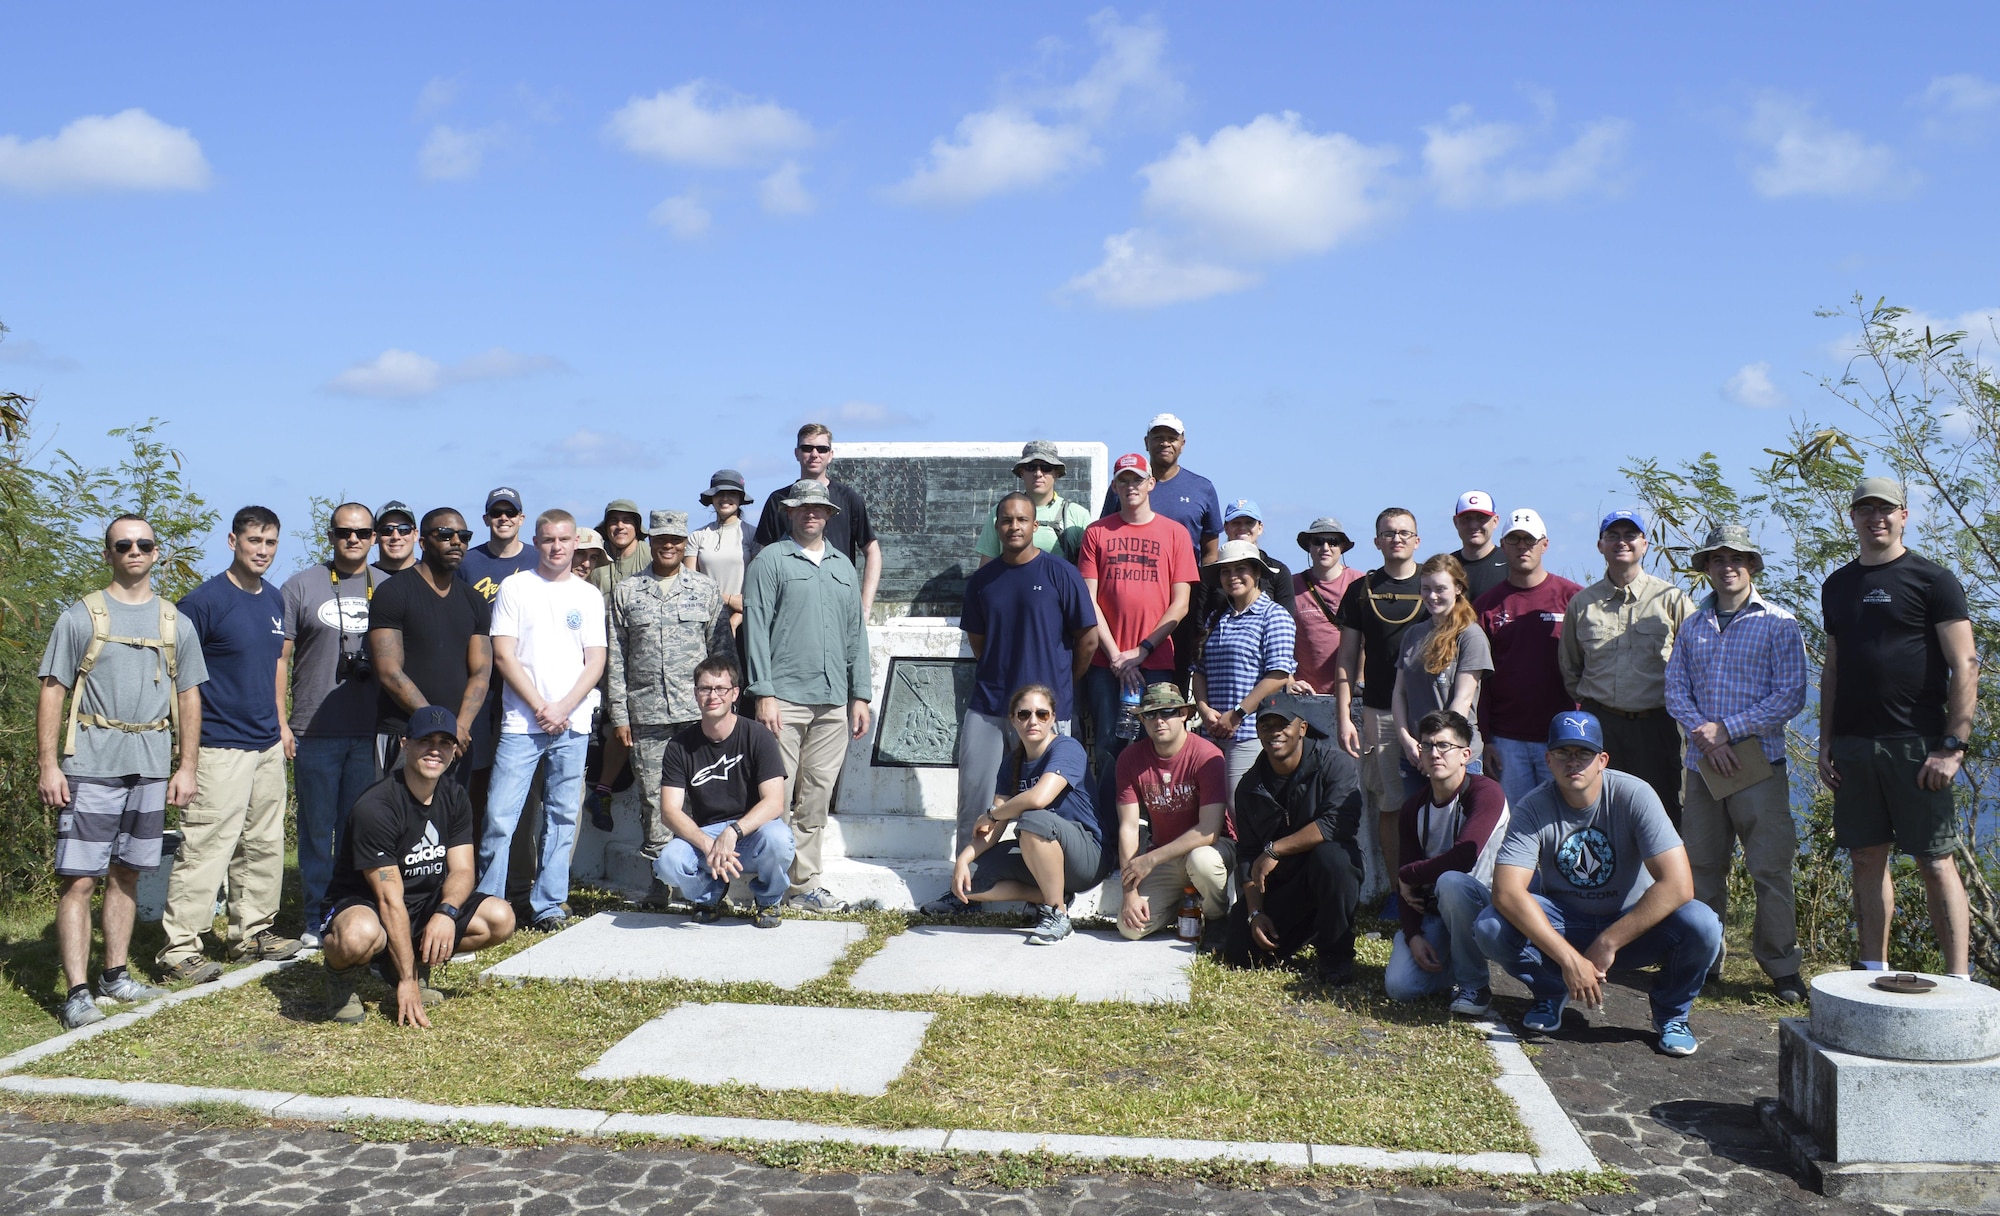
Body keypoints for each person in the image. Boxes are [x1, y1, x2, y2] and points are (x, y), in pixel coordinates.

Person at [1474, 711, 1721, 1057]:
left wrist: (1608, 941)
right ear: (1548, 759)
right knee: (1490, 926)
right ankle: (1550, 990)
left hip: (1631, 926)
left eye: (1583, 753)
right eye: (1563, 752)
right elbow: (1506, 891)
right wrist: (1569, 961)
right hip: (1566, 924)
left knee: (1704, 924)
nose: (1573, 762)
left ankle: (1672, 1013)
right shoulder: (1533, 807)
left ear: (1602, 760)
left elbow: (1680, 885)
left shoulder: (1635, 795)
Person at [36, 515, 203, 1027]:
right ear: (108, 554)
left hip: (151, 765)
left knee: (128, 872)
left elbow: (189, 695)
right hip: (90, 764)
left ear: (157, 554)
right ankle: (77, 992)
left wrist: (187, 765)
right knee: (80, 879)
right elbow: (52, 689)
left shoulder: (176, 622)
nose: (134, 551)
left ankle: (115, 976)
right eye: (123, 544)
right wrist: (49, 764)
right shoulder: (81, 616)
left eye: (143, 544)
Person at [1819, 476, 1978, 980]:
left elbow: (1966, 663)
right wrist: (1826, 743)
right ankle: (1873, 967)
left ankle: (1958, 978)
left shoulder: (1933, 579)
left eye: (1885, 509)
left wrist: (1952, 746)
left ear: (1904, 515)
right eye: (1865, 509)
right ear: (1853, 518)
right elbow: (1833, 668)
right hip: (1854, 744)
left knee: (1935, 859)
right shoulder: (1837, 584)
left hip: (1918, 745)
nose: (1876, 518)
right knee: (1866, 857)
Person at [1664, 525, 1809, 1002]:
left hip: (1759, 765)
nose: (1728, 567)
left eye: (1737, 558)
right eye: (1718, 559)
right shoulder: (1692, 625)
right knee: (1703, 866)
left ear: (1753, 565)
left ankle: (1781, 967)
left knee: (1770, 868)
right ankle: (1704, 959)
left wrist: (1728, 729)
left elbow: (1790, 695)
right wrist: (1708, 738)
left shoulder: (1780, 623)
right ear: (1705, 568)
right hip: (1703, 767)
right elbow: (1675, 692)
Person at [158, 505, 301, 983]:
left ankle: (253, 931)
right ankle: (180, 949)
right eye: (254, 541)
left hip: (264, 743)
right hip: (219, 744)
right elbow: (178, 682)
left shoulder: (275, 600)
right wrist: (187, 754)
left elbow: (276, 666)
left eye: (270, 542)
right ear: (232, 541)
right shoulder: (203, 603)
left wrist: (281, 725)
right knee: (206, 846)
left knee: (263, 843)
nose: (262, 551)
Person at [319, 706, 516, 1026]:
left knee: (499, 918)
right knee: (359, 936)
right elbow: (388, 898)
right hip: (368, 907)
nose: (435, 749)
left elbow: (463, 870)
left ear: (455, 751)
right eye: (426, 740)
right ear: (405, 743)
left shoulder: (455, 797)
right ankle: (341, 979)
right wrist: (408, 982)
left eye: (445, 742)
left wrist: (447, 912)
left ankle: (401, 963)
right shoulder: (376, 807)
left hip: (422, 906)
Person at [743, 479, 873, 912]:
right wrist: (763, 692)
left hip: (834, 701)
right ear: (790, 512)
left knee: (816, 797)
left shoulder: (842, 566)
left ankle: (806, 885)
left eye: (819, 510)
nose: (811, 514)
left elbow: (856, 633)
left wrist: (860, 694)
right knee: (775, 800)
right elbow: (756, 629)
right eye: (803, 509)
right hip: (784, 699)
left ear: (830, 516)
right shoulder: (770, 561)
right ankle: (771, 888)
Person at [475, 509, 607, 932]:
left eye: (564, 540)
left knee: (562, 816)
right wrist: (540, 706)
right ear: (537, 541)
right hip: (522, 722)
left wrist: (564, 706)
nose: (556, 547)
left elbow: (596, 660)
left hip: (573, 722)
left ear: (574, 544)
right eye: (548, 539)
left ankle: (549, 903)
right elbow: (504, 655)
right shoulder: (516, 587)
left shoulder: (588, 595)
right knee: (500, 816)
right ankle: (488, 905)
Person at [953, 492, 1098, 856]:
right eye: (1006, 520)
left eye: (1021, 520)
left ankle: (1046, 890)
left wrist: (1062, 686)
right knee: (975, 799)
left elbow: (1088, 640)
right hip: (990, 705)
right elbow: (978, 640)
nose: (1013, 526)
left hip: (1046, 712)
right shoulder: (982, 581)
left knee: (1050, 805)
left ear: (1035, 525)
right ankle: (967, 881)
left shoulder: (1060, 573)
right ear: (996, 526)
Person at [279, 502, 388, 946]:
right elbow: (279, 659)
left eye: (363, 533)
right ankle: (314, 917)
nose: (353, 540)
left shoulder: (388, 587)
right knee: (315, 830)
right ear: (331, 535)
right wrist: (281, 722)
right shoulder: (301, 585)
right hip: (313, 730)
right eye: (345, 532)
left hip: (370, 731)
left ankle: (352, 913)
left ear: (375, 537)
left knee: (358, 832)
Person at [606, 509, 732, 880]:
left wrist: (724, 709)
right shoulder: (627, 591)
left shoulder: (704, 589)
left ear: (684, 543)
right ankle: (661, 882)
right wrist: (620, 715)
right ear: (650, 541)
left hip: (700, 715)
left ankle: (708, 881)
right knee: (655, 800)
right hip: (647, 716)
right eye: (661, 539)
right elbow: (616, 657)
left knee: (706, 799)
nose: (668, 546)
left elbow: (722, 654)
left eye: (676, 539)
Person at [1076, 453, 1199, 810]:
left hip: (1156, 660)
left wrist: (1141, 651)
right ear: (1115, 487)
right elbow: (1089, 599)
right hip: (1105, 662)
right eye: (1123, 481)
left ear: (1151, 484)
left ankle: (1156, 825)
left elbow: (1181, 604)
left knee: (1159, 744)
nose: (1131, 487)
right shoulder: (1097, 532)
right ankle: (1108, 836)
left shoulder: (1175, 533)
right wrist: (1116, 655)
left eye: (1137, 480)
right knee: (1107, 745)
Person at [1559, 510, 1697, 826]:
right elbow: (1570, 666)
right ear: (1600, 545)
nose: (1622, 542)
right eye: (1614, 536)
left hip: (1657, 724)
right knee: (1600, 813)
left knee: (1662, 815)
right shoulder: (1582, 604)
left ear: (1645, 544)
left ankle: (1664, 878)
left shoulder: (1671, 600)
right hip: (1600, 725)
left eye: (1630, 535)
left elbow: (1697, 664)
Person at [947, 684, 1105, 946]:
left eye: (1042, 714)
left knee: (1033, 820)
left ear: (1053, 718)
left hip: (1086, 857)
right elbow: (994, 828)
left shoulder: (1067, 748)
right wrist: (963, 858)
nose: (1033, 721)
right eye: (1024, 714)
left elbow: (1038, 798)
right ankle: (1048, 895)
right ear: (1013, 720)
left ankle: (1057, 916)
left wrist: (993, 813)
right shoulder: (1012, 763)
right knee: (970, 878)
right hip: (1041, 852)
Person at [1224, 691, 1365, 984]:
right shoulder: (1250, 786)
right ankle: (1303, 931)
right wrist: (1255, 913)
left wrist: (1274, 850)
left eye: (1283, 724)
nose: (1274, 732)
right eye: (1266, 725)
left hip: (1328, 875)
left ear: (1301, 728)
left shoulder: (1334, 765)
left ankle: (1334, 957)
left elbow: (1334, 825)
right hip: (1286, 885)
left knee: (1333, 858)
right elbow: (1248, 854)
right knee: (1239, 949)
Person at [1383, 710, 1509, 1015]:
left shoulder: (1486, 792)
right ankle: (1452, 962)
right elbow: (1407, 883)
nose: (1434, 753)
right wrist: (1413, 935)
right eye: (1427, 746)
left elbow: (1465, 855)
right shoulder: (1414, 806)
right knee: (1400, 986)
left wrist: (1408, 874)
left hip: (1490, 908)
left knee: (1451, 881)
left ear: (1466, 754)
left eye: (1444, 746)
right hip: (1439, 910)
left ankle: (1474, 985)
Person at [654, 657, 794, 927]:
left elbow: (775, 802)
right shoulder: (679, 745)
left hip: (751, 831)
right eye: (705, 688)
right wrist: (709, 844)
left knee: (779, 839)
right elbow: (669, 811)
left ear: (735, 694)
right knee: (668, 863)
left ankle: (768, 900)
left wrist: (733, 832)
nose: (712, 695)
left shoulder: (758, 736)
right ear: (695, 693)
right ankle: (709, 895)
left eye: (720, 688)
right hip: (706, 833)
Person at [1334, 508, 1427, 889]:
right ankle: (1397, 890)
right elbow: (1346, 658)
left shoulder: (1436, 582)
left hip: (1432, 711)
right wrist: (1343, 717)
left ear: (1417, 540)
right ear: (1377, 542)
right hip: (1381, 712)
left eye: (1405, 533)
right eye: (1389, 533)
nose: (1397, 539)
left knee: (1438, 803)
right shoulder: (1362, 589)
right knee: (1392, 803)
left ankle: (1435, 886)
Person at [1099, 414, 1223, 689]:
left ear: (1182, 443)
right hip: (1129, 595)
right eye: (1158, 437)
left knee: (1172, 683)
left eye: (1171, 438)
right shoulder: (1124, 485)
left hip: (1181, 598)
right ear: (1146, 442)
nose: (1164, 443)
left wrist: (1201, 606)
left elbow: (1210, 553)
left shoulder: (1202, 488)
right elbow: (1108, 533)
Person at [368, 508, 493, 781]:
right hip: (404, 735)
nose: (457, 541)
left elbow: (481, 672)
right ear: (423, 543)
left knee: (449, 822)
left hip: (457, 740)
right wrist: (438, 726)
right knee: (398, 821)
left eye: (464, 536)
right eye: (446, 535)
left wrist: (459, 727)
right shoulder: (393, 593)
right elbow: (389, 671)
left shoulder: (474, 601)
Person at [1474, 508, 1582, 808]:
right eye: (1514, 540)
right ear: (1503, 546)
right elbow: (1478, 680)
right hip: (1507, 740)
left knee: (1566, 824)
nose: (1523, 547)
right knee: (1517, 827)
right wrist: (1485, 739)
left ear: (1544, 544)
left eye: (1530, 540)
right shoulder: (1486, 605)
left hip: (1564, 736)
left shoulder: (1573, 597)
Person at [1112, 684, 1233, 941]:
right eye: (1150, 714)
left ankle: (1216, 918)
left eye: (1168, 711)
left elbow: (1209, 831)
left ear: (1184, 714)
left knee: (1201, 862)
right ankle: (1184, 907)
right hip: (1165, 855)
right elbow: (1129, 827)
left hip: (1212, 848)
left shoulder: (1208, 755)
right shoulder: (1129, 758)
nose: (1159, 720)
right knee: (1129, 928)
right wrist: (1129, 893)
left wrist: (1151, 859)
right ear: (1141, 719)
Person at [1195, 539, 1297, 799]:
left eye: (1241, 569)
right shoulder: (1216, 617)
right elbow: (1199, 670)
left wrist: (1237, 713)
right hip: (1212, 731)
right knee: (1211, 808)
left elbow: (1278, 675)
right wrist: (1205, 710)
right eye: (1226, 571)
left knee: (1239, 806)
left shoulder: (1275, 616)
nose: (1233, 577)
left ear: (1257, 573)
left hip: (1251, 732)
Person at [753, 423, 883, 619]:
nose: (814, 454)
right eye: (807, 448)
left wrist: (864, 608)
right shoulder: (777, 500)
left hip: (838, 603)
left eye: (822, 449)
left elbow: (872, 551)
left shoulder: (849, 498)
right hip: (789, 605)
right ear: (796, 453)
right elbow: (762, 556)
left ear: (830, 455)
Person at [1392, 554, 1491, 784]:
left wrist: (1435, 749)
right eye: (1426, 588)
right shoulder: (1413, 635)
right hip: (1415, 755)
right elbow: (1399, 693)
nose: (1432, 596)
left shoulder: (1470, 636)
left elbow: (1462, 702)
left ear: (1458, 588)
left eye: (1440, 588)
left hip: (1454, 757)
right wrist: (1406, 739)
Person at [974, 440, 1093, 565]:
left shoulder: (1078, 514)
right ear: (1022, 472)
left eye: (1046, 468)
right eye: (1031, 467)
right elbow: (986, 569)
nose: (1038, 473)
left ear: (1056, 473)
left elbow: (1088, 571)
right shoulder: (1000, 512)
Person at [1288, 516, 1364, 696]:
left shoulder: (1360, 583)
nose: (1325, 548)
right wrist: (1290, 682)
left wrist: (1360, 683)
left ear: (1342, 547)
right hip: (1304, 693)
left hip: (1351, 694)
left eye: (1333, 542)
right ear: (1309, 546)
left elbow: (1369, 638)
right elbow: (1280, 640)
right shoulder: (1291, 585)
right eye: (1318, 541)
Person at [689, 469, 762, 634]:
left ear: (740, 499)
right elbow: (690, 585)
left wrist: (734, 622)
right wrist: (726, 599)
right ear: (712, 498)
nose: (725, 498)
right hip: (704, 621)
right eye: (719, 493)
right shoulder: (697, 536)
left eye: (732, 494)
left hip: (746, 622)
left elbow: (758, 587)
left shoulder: (753, 535)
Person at [1207, 499, 1295, 613]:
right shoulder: (1213, 570)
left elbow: (1286, 616)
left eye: (1249, 522)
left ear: (1260, 528)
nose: (1242, 527)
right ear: (1226, 528)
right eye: (1236, 522)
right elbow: (1202, 619)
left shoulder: (1279, 571)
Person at [1451, 491, 1511, 601]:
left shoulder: (1511, 563)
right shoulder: (1447, 566)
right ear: (1455, 522)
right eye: (1467, 518)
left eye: (1481, 518)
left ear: (1495, 521)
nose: (1473, 525)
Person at [588, 499, 651, 597]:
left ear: (636, 526)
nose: (620, 526)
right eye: (614, 521)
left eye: (627, 520)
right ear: (606, 527)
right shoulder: (595, 556)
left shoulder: (651, 556)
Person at [371, 500, 419, 575]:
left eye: (404, 529)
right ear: (375, 537)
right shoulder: (364, 579)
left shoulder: (432, 577)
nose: (396, 537)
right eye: (387, 530)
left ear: (415, 535)